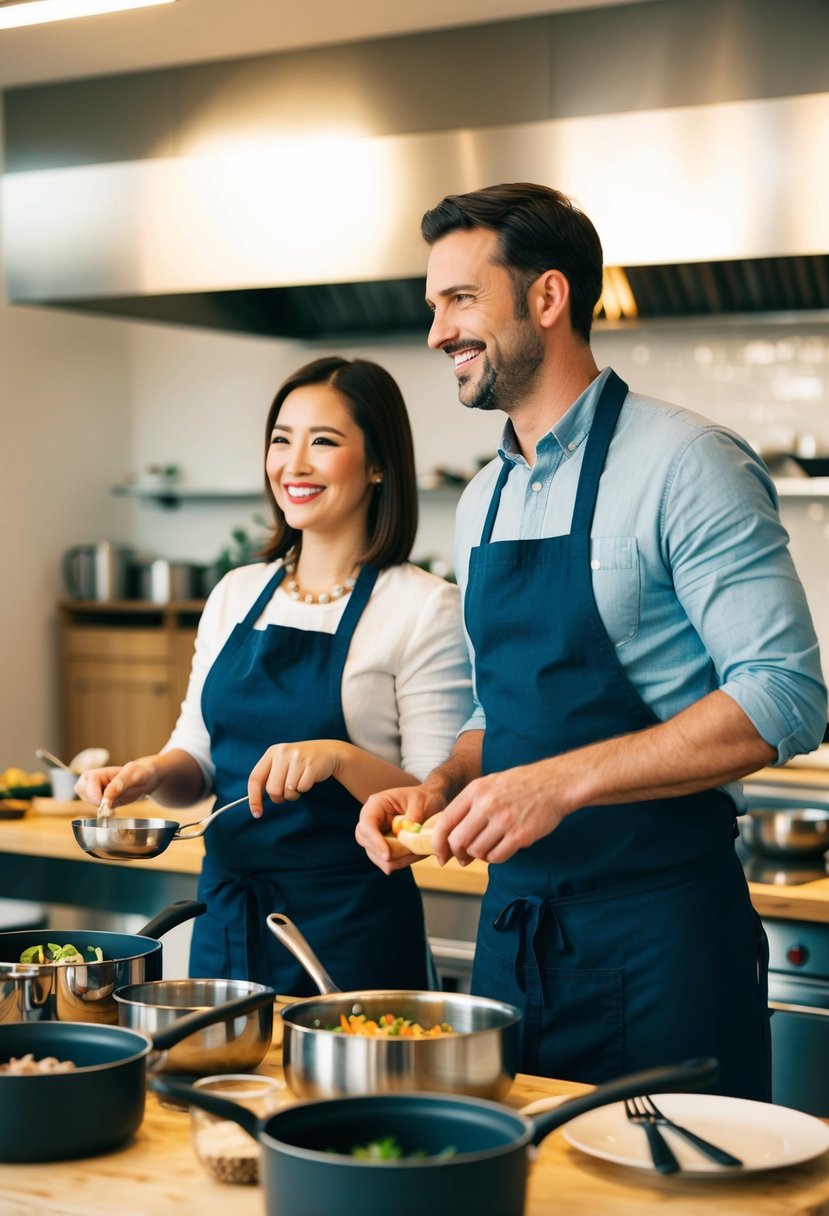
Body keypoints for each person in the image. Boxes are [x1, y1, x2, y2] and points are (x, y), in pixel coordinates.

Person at [356, 183, 827, 1100]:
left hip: (662, 947)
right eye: (432, 306)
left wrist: (560, 782)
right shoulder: (484, 498)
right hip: (515, 943)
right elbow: (504, 708)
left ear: (546, 297)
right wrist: (444, 787)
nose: (436, 331)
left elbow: (786, 694)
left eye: (459, 300)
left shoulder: (686, 462)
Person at [77, 356, 472, 995]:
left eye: (324, 441)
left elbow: (435, 804)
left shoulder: (424, 606)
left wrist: (341, 759)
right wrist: (148, 774)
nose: (294, 463)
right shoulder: (236, 592)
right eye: (282, 439)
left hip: (350, 931)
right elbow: (198, 763)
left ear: (378, 465)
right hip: (226, 919)